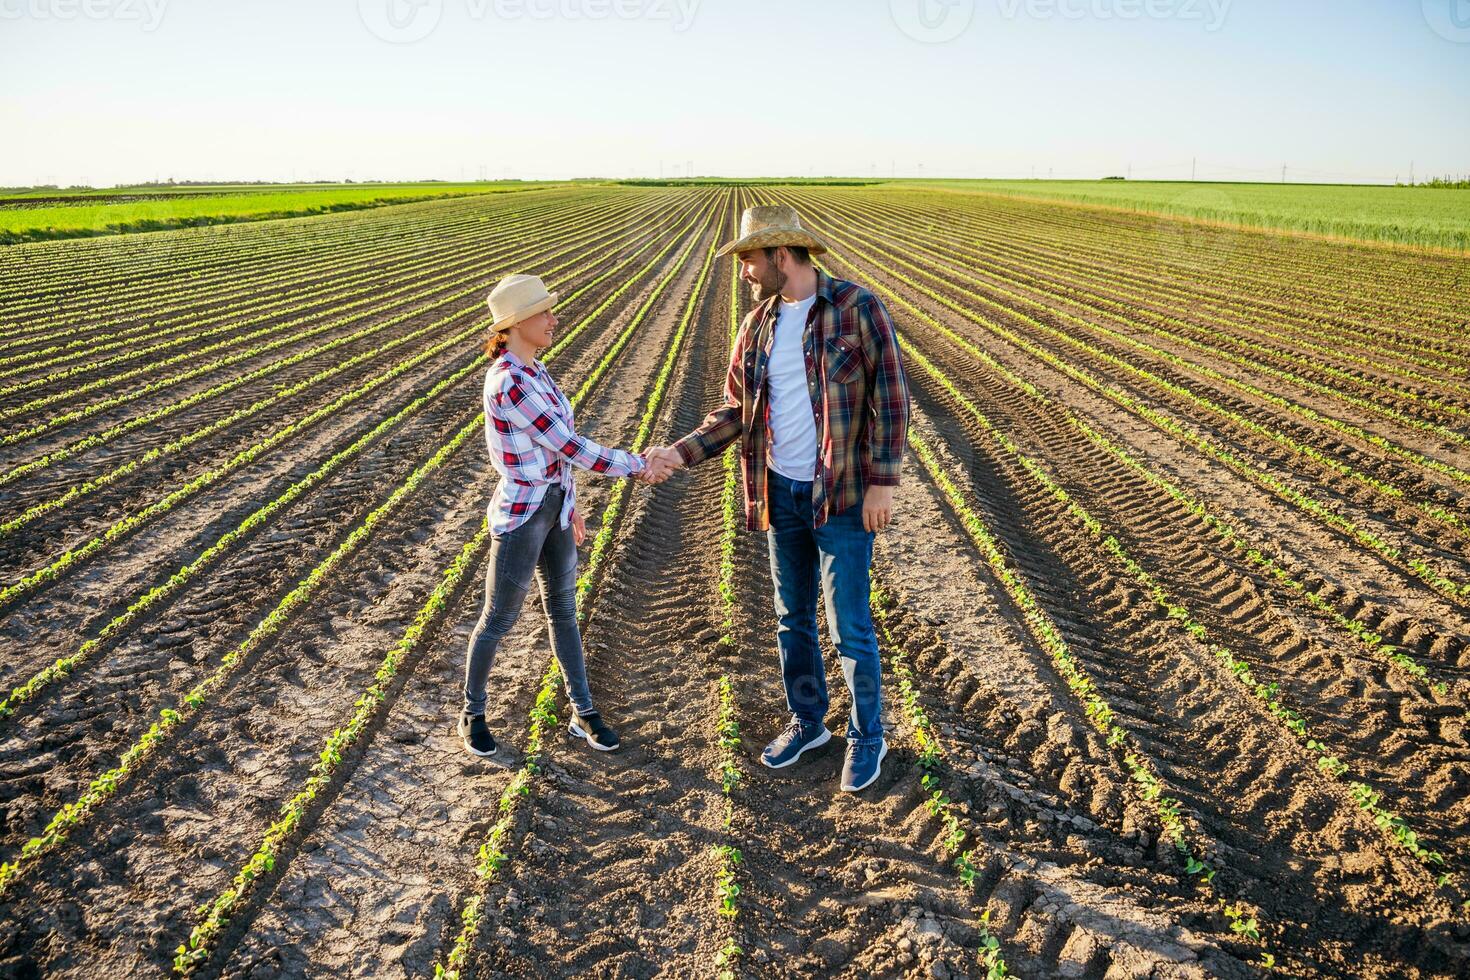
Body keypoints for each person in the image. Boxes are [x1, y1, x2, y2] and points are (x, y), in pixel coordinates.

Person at [648, 205, 910, 792]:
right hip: (780, 491)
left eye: (748, 259)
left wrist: (883, 482)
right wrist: (678, 452)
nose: (743, 271)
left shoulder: (855, 308)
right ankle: (810, 722)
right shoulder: (758, 326)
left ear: (781, 256)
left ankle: (869, 734)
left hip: (841, 494)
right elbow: (736, 413)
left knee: (850, 625)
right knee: (793, 619)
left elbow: (891, 396)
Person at [460, 273, 676, 759]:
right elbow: (569, 445)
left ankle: (583, 711)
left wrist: (571, 505)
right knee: (498, 617)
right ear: (516, 324)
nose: (554, 320)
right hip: (522, 516)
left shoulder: (536, 370)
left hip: (553, 508)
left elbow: (556, 456)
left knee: (563, 612)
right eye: (544, 313)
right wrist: (639, 464)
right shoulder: (510, 381)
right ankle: (473, 712)